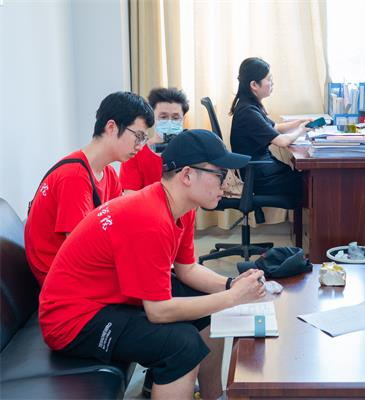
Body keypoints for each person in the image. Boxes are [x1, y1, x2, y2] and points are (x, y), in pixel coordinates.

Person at [39, 130, 266, 400]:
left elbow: (187, 269)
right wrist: (232, 298)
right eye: (220, 174)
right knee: (182, 346)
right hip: (72, 321)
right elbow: (158, 311)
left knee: (205, 301)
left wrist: (230, 285)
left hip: (105, 298)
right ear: (187, 175)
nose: (227, 184)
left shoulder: (181, 206)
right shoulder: (150, 220)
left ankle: (213, 395)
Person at [25, 91, 154, 286]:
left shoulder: (108, 174)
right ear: (111, 127)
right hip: (62, 283)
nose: (140, 146)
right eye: (139, 136)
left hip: (81, 271)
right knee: (151, 287)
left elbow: (119, 225)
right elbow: (81, 251)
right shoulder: (74, 177)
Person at [230, 57, 309, 200]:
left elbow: (275, 127)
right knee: (309, 183)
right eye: (269, 79)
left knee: (305, 178)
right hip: (260, 177)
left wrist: (300, 122)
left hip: (261, 170)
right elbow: (282, 141)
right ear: (254, 84)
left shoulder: (249, 105)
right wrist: (301, 130)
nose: (272, 83)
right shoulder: (248, 112)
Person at [119, 87, 190, 193]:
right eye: (163, 117)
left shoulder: (192, 151)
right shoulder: (135, 153)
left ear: (183, 119)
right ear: (153, 118)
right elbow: (130, 196)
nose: (169, 122)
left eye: (175, 118)